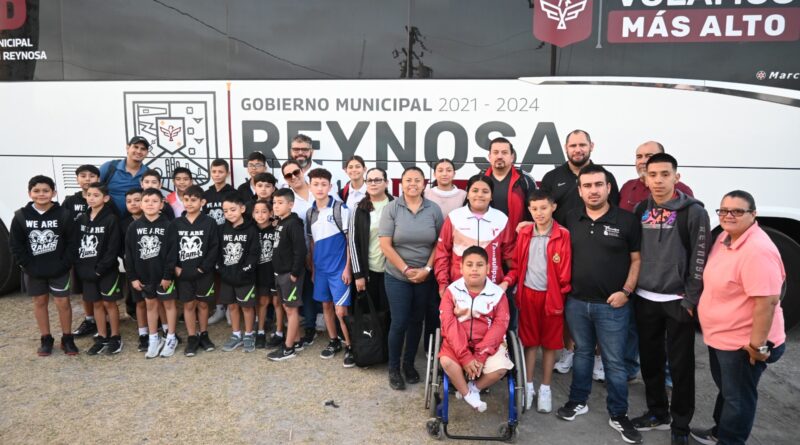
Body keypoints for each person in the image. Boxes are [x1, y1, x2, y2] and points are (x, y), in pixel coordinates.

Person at [556, 164, 642, 445]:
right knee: (581, 354)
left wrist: (626, 291)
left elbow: (637, 260)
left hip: (612, 305)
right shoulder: (570, 218)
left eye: (598, 185)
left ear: (608, 188)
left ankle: (618, 414)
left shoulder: (627, 221)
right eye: (587, 186)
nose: (593, 190)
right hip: (577, 303)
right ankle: (578, 401)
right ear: (580, 191)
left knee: (614, 362)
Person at [692, 190, 787, 445]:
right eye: (724, 210)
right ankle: (719, 432)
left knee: (738, 398)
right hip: (722, 336)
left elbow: (766, 303)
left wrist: (758, 347)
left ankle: (730, 440)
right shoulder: (725, 237)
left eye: (737, 211)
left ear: (753, 214)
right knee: (729, 391)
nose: (728, 216)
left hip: (743, 343)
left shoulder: (757, 250)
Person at [629, 153, 710, 445]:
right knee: (650, 363)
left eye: (665, 174)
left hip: (678, 300)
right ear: (645, 178)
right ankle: (657, 413)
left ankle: (681, 424)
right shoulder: (641, 209)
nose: (659, 180)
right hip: (645, 298)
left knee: (680, 367)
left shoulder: (694, 212)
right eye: (653, 175)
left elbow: (700, 257)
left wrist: (690, 300)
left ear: (677, 177)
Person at [540, 129, 619, 377]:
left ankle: (598, 357)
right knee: (568, 306)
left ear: (591, 146)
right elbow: (543, 210)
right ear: (566, 148)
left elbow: (614, 210)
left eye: (582, 145)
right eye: (573, 145)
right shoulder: (552, 177)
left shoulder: (605, 176)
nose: (578, 150)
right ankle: (569, 351)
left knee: (599, 304)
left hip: (599, 249)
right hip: (563, 251)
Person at [379, 166, 444, 390]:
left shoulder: (433, 209)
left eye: (417, 180)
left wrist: (427, 268)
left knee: (417, 321)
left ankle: (408, 364)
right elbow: (385, 245)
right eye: (408, 180)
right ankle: (394, 369)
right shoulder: (391, 209)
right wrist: (406, 269)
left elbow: (439, 243)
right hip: (397, 276)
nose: (413, 184)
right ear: (402, 183)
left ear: (424, 184)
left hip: (425, 277)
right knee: (399, 322)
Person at [514, 190, 572, 413]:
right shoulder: (525, 233)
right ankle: (528, 386)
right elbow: (518, 263)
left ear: (553, 207)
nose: (539, 213)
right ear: (529, 210)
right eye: (534, 209)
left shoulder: (562, 234)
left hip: (552, 297)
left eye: (544, 208)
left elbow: (565, 271)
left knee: (550, 344)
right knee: (530, 342)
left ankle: (545, 388)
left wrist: (560, 294)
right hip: (529, 295)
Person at [9, 175, 78, 356]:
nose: (41, 194)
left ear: (53, 193)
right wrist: (27, 265)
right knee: (40, 302)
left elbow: (73, 242)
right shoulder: (21, 216)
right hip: (33, 270)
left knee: (63, 302)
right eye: (37, 191)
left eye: (46, 191)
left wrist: (65, 264)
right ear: (29, 193)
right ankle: (46, 338)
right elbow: (16, 245)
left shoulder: (64, 214)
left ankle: (67, 338)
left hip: (59, 269)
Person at [439, 246, 512, 412]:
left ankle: (474, 388)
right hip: (457, 344)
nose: (474, 269)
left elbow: (500, 325)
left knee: (501, 369)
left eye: (479, 265)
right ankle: (467, 394)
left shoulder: (498, 294)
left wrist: (480, 355)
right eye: (469, 264)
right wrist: (465, 356)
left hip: (487, 345)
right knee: (446, 362)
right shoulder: (451, 292)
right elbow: (448, 324)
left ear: (488, 268)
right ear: (461, 268)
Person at [434, 174, 516, 298]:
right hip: (458, 288)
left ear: (491, 196)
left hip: (493, 289)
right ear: (467, 194)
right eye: (475, 190)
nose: (480, 195)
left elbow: (512, 260)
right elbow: (442, 253)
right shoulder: (454, 217)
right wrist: (443, 284)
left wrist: (506, 282)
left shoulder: (501, 219)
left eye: (485, 191)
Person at [307, 168, 355, 367]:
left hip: (338, 270)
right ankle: (334, 341)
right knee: (326, 306)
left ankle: (350, 346)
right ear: (310, 186)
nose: (319, 188)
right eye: (316, 184)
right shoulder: (310, 212)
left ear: (330, 186)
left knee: (341, 311)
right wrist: (313, 269)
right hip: (321, 270)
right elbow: (312, 243)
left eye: (323, 184)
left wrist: (348, 268)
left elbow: (350, 241)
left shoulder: (340, 209)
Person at [167, 185, 219, 357]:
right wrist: (175, 268)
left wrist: (203, 267)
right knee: (189, 304)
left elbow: (214, 247)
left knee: (203, 304)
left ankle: (203, 334)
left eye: (193, 200)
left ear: (202, 202)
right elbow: (171, 248)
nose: (189, 203)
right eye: (186, 200)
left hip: (203, 272)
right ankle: (191, 337)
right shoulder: (176, 224)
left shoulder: (209, 222)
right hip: (183, 272)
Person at [124, 188, 177, 359]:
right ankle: (154, 339)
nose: (150, 204)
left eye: (155, 201)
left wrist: (168, 275)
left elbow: (172, 253)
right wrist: (133, 277)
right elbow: (129, 254)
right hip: (144, 275)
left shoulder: (168, 225)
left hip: (163, 276)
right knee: (150, 306)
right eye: (146, 201)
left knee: (168, 305)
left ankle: (171, 337)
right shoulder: (134, 226)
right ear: (141, 204)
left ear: (161, 205)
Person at [74, 183, 123, 356]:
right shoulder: (82, 218)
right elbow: (76, 244)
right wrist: (81, 267)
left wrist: (100, 269)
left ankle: (115, 336)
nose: (92, 198)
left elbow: (113, 248)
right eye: (89, 195)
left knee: (109, 303)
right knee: (96, 303)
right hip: (87, 270)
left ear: (106, 198)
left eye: (96, 195)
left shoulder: (111, 219)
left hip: (106, 270)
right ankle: (102, 336)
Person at [281, 159, 320, 345]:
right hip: (301, 253)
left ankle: (331, 327)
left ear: (302, 171)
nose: (294, 177)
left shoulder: (318, 188)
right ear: (285, 179)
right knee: (306, 291)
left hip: (325, 250)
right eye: (288, 175)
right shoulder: (288, 200)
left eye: (296, 172)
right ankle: (309, 327)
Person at [267, 188, 308, 361]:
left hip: (290, 275)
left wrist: (294, 273)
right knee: (286, 308)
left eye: (280, 203)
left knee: (291, 310)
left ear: (291, 204)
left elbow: (301, 250)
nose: (276, 206)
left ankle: (288, 348)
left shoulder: (293, 224)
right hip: (280, 273)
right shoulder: (281, 222)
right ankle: (296, 341)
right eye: (274, 203)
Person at [218, 193, 261, 353]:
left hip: (245, 277)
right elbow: (217, 252)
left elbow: (254, 254)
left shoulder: (251, 229)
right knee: (232, 306)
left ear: (242, 209)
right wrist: (222, 270)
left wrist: (244, 270)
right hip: (227, 276)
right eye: (225, 211)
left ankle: (249, 334)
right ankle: (236, 335)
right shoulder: (222, 229)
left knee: (247, 307)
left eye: (233, 209)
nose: (229, 213)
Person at [349, 167, 394, 314]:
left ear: (386, 183)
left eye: (377, 180)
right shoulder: (359, 207)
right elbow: (353, 242)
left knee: (390, 312)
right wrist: (358, 275)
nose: (373, 183)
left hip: (393, 270)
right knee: (371, 314)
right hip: (369, 271)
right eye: (369, 180)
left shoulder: (395, 204)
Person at [65, 164, 102, 338]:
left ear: (98, 179)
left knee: (102, 292)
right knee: (85, 291)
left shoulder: (103, 201)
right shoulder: (70, 201)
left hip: (98, 255)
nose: (88, 179)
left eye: (92, 176)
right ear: (77, 179)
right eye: (83, 175)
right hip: (79, 255)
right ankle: (89, 320)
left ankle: (103, 320)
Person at [203, 158, 235, 325]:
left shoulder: (233, 193)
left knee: (229, 272)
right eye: (214, 171)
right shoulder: (206, 194)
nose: (217, 174)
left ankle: (231, 307)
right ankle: (219, 308)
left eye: (221, 171)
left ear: (227, 173)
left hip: (228, 239)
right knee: (215, 274)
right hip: (211, 240)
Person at [619, 141, 693, 212]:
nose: (642, 161)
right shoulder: (627, 186)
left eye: (649, 156)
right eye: (639, 157)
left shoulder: (681, 189)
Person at [482, 137, 536, 234]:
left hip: (517, 239)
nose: (499, 156)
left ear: (512, 157)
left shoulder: (525, 180)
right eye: (495, 152)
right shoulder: (479, 179)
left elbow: (537, 209)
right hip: (486, 238)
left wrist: (532, 225)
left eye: (504, 152)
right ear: (489, 156)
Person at [120, 188, 150, 351]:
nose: (133, 204)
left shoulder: (157, 220)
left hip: (154, 268)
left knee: (157, 302)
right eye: (129, 201)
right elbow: (120, 247)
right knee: (140, 302)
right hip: (134, 268)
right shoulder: (124, 223)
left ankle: (162, 328)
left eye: (137, 200)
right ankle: (143, 333)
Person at [252, 199, 282, 349]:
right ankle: (261, 331)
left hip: (275, 271)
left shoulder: (276, 229)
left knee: (277, 302)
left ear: (271, 213)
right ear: (252, 214)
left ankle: (279, 332)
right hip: (260, 272)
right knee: (262, 301)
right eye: (257, 212)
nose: (260, 215)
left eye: (264, 212)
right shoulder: (251, 230)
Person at [99, 136, 151, 216]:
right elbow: (94, 190)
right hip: (108, 218)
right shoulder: (109, 167)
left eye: (143, 149)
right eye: (135, 147)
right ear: (127, 148)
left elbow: (153, 196)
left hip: (135, 219)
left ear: (147, 153)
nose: (139, 151)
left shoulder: (148, 174)